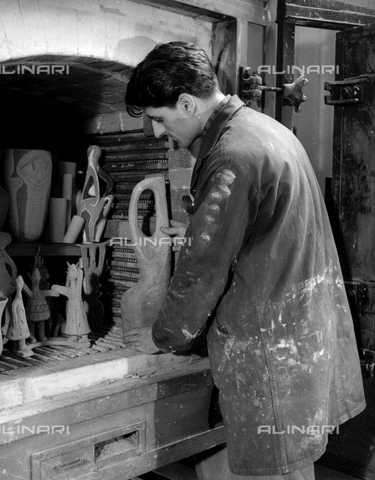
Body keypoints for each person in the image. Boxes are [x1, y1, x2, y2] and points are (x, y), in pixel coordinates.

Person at [123, 42, 365, 479]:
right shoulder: (265, 130)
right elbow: (267, 230)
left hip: (269, 347)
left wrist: (160, 336)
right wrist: (202, 231)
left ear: (186, 102)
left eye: (159, 118)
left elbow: (201, 274)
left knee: (277, 472)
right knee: (289, 467)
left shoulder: (232, 155)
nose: (158, 133)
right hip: (299, 333)